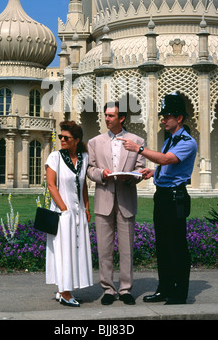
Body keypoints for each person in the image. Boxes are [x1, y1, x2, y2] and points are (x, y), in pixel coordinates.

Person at [120, 93, 197, 305]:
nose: (163, 119)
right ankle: (164, 289)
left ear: (179, 118)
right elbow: (167, 165)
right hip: (163, 196)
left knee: (177, 245)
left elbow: (167, 159)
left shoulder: (187, 141)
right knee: (162, 244)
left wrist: (139, 150)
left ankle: (179, 293)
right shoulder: (170, 140)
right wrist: (153, 172)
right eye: (162, 115)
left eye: (168, 116)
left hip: (175, 197)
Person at [87, 101, 145, 306]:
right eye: (106, 115)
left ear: (122, 118)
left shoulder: (136, 140)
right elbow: (90, 170)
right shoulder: (94, 142)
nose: (107, 119)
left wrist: (131, 177)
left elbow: (140, 169)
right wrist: (101, 174)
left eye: (111, 116)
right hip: (103, 199)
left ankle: (126, 289)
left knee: (127, 248)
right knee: (104, 249)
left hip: (126, 200)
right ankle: (108, 290)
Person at [45, 120, 93, 307]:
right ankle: (64, 293)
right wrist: (64, 210)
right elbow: (51, 185)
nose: (62, 140)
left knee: (74, 250)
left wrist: (87, 208)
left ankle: (63, 290)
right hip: (62, 213)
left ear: (76, 140)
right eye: (61, 137)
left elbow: (83, 186)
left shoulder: (84, 158)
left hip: (78, 212)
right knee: (63, 251)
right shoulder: (55, 157)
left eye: (66, 137)